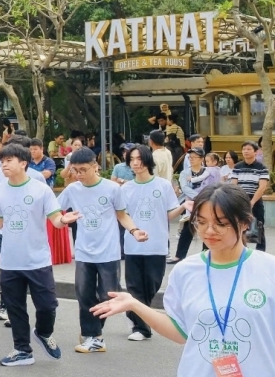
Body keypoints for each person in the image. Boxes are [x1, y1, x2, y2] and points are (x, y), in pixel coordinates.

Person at [92, 184, 275, 377]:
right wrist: (136, 305)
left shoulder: (269, 269)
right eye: (201, 223)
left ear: (244, 222)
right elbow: (180, 331)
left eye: (220, 223)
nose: (209, 231)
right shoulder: (186, 272)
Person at [0, 143, 66, 367]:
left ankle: (44, 332)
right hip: (10, 260)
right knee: (15, 307)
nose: (4, 165)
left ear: (23, 163)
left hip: (37, 260)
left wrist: (63, 220)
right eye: (2, 161)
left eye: (9, 161)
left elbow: (55, 218)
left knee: (47, 305)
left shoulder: (40, 190)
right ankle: (22, 350)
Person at [59, 147, 147, 353]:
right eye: (75, 170)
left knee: (108, 295)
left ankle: (93, 330)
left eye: (83, 169)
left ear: (95, 166)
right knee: (84, 294)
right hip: (83, 251)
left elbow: (122, 215)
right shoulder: (72, 190)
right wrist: (62, 219)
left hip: (108, 251)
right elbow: (54, 210)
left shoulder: (112, 189)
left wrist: (134, 231)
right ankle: (93, 336)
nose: (79, 174)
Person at [120, 144, 183, 341]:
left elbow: (169, 214)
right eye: (131, 160)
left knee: (152, 285)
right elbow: (123, 215)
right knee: (135, 286)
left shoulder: (163, 186)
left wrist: (184, 207)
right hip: (133, 246)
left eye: (138, 159)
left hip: (157, 245)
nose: (135, 163)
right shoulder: (126, 188)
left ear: (147, 160)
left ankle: (134, 311)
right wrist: (134, 231)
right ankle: (141, 328)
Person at [175, 149, 221, 262]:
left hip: (207, 203)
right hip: (192, 204)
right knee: (187, 229)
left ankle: (207, 253)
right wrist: (197, 198)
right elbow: (184, 187)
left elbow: (215, 185)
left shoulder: (208, 171)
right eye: (190, 157)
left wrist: (205, 198)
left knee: (208, 227)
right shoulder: (185, 173)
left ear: (201, 159)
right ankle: (179, 255)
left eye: (194, 157)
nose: (191, 159)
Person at [227, 141, 269, 253]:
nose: (246, 151)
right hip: (240, 199)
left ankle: (260, 253)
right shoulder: (237, 167)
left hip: (255, 200)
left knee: (258, 226)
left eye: (249, 149)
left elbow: (262, 187)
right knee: (238, 226)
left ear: (256, 152)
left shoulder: (262, 168)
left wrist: (252, 202)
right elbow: (234, 185)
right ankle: (241, 251)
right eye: (244, 149)